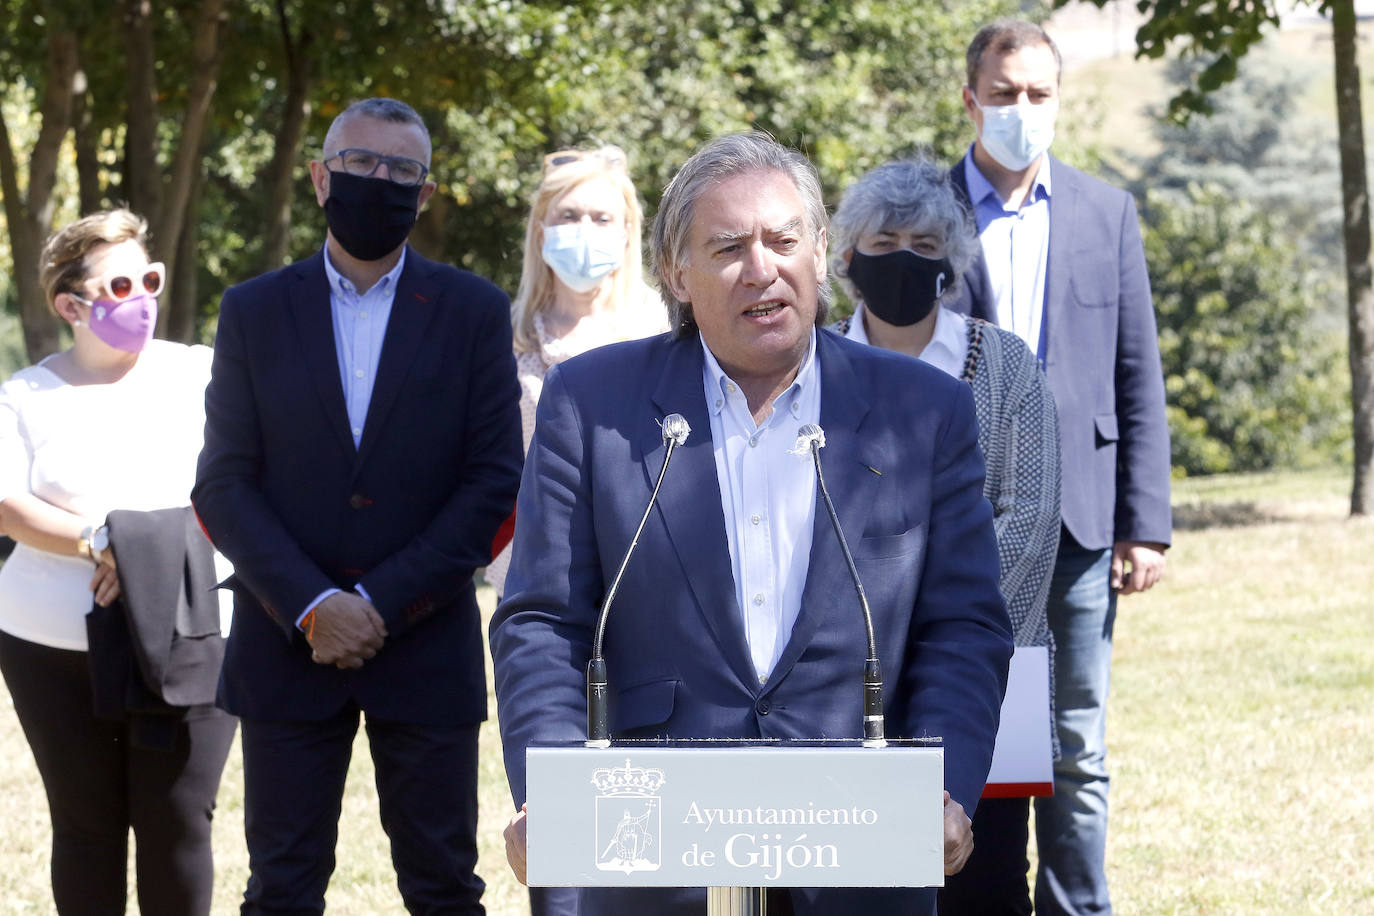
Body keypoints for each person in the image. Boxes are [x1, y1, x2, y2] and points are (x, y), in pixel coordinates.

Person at [490, 131, 1014, 915]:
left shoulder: (922, 409)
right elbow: (543, 621)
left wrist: (946, 785)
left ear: (821, 251)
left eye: (783, 241)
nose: (762, 268)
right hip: (653, 849)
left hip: (861, 840)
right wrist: (553, 787)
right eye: (729, 247)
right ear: (677, 273)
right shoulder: (592, 405)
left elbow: (963, 626)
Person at [193, 97, 523, 915]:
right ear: (320, 179)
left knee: (445, 887)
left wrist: (377, 602)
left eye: (401, 170)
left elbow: (492, 482)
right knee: (280, 888)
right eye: (361, 164)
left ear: (425, 193)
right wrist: (313, 605)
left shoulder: (474, 311)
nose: (380, 181)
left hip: (425, 640)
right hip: (287, 644)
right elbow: (223, 484)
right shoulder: (253, 310)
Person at [945, 20, 1172, 916]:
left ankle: (1078, 903)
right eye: (1004, 93)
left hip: (1079, 517)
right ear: (971, 100)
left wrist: (1144, 524)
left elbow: (1136, 369)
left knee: (1076, 741)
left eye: (1039, 93)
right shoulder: (923, 211)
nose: (1022, 109)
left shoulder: (1105, 212)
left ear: (1059, 99)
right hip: (959, 517)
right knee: (972, 725)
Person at [827, 158, 1062, 915]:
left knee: (984, 883)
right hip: (835, 679)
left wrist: (946, 634)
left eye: (925, 246)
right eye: (884, 242)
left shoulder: (1006, 365)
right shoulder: (811, 363)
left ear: (952, 264)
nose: (904, 259)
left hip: (983, 673)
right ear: (847, 257)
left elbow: (1029, 523)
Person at [0, 209, 237, 914]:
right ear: (70, 306)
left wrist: (147, 554)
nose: (142, 297)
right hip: (52, 648)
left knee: (180, 825)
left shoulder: (200, 374)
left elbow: (244, 480)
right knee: (86, 829)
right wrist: (98, 542)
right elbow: (6, 503)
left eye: (149, 279)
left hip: (192, 631)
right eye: (121, 285)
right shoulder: (24, 395)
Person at [485, 144, 667, 600]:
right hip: (534, 573)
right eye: (568, 216)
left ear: (626, 232)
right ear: (541, 229)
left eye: (602, 218)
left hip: (646, 573)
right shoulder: (505, 338)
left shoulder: (667, 331)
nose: (585, 230)